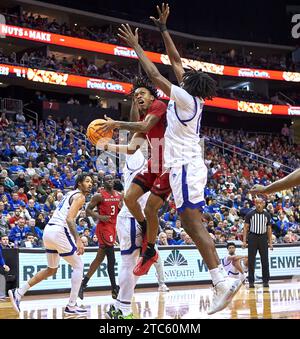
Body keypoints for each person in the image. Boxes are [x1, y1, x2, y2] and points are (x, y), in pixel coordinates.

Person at [117, 3, 242, 315]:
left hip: (185, 166)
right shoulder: (189, 96)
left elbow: (154, 73)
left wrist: (136, 46)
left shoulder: (184, 99)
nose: (180, 73)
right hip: (181, 167)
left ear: (188, 85)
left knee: (191, 223)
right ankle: (219, 276)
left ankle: (221, 283)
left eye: (183, 76)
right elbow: (174, 60)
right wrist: (162, 29)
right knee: (174, 215)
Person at [97, 75, 171, 274]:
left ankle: (151, 249)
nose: (138, 97)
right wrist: (107, 145)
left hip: (169, 163)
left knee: (150, 207)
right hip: (154, 161)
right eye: (135, 95)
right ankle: (146, 227)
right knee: (129, 198)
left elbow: (145, 127)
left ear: (151, 96)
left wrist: (117, 125)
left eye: (142, 93)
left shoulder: (159, 106)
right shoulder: (141, 119)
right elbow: (131, 148)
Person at [8, 174, 93, 315]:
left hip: (48, 231)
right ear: (79, 183)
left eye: (91, 181)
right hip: (59, 231)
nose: (90, 184)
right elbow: (70, 219)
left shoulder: (70, 193)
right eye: (87, 181)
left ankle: (19, 292)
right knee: (78, 265)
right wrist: (78, 239)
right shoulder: (80, 197)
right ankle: (71, 305)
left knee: (51, 269)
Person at [106, 148, 168, 319]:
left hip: (137, 219)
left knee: (139, 264)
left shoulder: (153, 164)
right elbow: (134, 139)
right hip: (131, 218)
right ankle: (124, 310)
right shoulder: (136, 157)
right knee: (129, 264)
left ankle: (118, 306)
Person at [79, 175, 122, 300]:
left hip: (113, 227)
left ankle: (83, 284)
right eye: (107, 180)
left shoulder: (119, 195)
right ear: (103, 182)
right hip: (103, 228)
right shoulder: (99, 196)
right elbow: (88, 210)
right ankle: (114, 288)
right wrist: (99, 217)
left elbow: (117, 211)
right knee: (111, 258)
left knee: (99, 259)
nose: (110, 181)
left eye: (111, 179)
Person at [242, 198, 273, 288]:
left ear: (263, 204)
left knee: (265, 260)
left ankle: (266, 281)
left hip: (263, 237)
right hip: (252, 237)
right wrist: (244, 241)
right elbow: (245, 228)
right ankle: (251, 281)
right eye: (257, 203)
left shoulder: (267, 215)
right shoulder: (250, 214)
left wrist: (270, 242)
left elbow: (269, 229)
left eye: (260, 203)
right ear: (255, 204)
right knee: (251, 260)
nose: (259, 204)